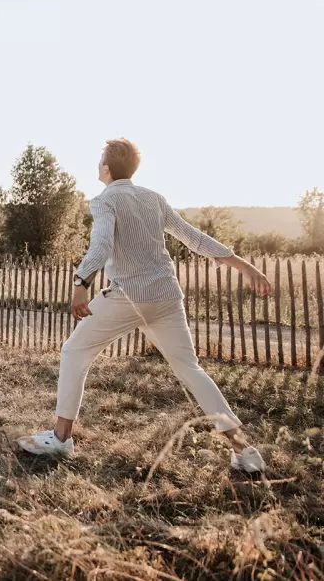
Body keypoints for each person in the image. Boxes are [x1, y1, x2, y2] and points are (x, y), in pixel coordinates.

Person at [17, 139, 272, 473]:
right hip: (167, 297)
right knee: (191, 370)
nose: (98, 165)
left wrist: (81, 283)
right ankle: (245, 452)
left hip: (129, 297)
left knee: (74, 351)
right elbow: (193, 238)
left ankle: (61, 439)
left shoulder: (105, 200)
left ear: (106, 168)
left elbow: (102, 244)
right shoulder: (154, 198)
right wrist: (245, 266)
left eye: (100, 160)